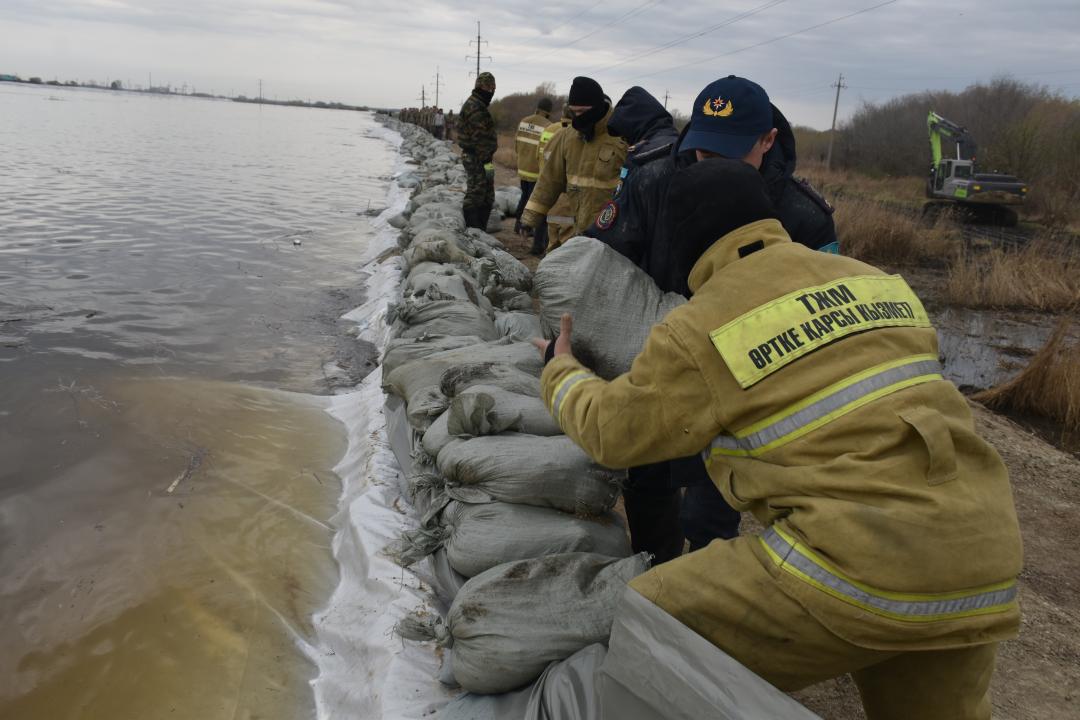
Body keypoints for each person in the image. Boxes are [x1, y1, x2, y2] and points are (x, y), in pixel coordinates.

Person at [534, 157, 1023, 720]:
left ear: (683, 238)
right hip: (982, 557)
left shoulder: (702, 325)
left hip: (855, 562)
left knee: (649, 622)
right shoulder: (879, 283)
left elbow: (612, 433)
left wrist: (559, 368)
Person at [595, 76, 840, 563]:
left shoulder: (803, 218)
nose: (711, 166)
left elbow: (821, 319)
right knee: (648, 493)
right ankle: (652, 579)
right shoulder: (653, 179)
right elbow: (607, 263)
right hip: (662, 369)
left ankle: (700, 592)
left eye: (730, 155)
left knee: (712, 516)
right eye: (704, 153)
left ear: (768, 140)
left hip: (746, 392)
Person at [519, 76, 626, 249]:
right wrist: (530, 218)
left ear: (598, 107)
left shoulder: (621, 136)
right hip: (576, 230)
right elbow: (549, 181)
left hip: (611, 235)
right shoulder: (567, 137)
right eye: (574, 112)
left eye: (583, 112)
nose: (579, 117)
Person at [531, 105, 574, 255]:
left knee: (546, 220)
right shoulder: (578, 136)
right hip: (565, 193)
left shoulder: (550, 130)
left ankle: (538, 247)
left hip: (545, 180)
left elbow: (539, 154)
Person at [457, 72, 498, 229]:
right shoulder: (475, 106)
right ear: (480, 87)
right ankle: (474, 230)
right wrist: (486, 160)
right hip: (477, 159)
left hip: (483, 159)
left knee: (487, 194)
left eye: (493, 87)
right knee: (476, 193)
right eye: (489, 87)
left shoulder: (479, 104)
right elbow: (479, 137)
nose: (492, 91)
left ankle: (481, 230)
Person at [512, 98, 553, 235]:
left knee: (524, 196)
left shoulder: (524, 121)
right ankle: (527, 227)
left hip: (522, 167)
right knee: (533, 201)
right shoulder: (548, 126)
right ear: (548, 112)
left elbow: (516, 144)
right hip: (536, 170)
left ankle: (518, 224)